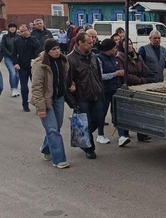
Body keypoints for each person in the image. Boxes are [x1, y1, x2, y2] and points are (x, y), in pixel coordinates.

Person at [30, 39, 72, 169]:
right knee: (53, 129)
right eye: (53, 49)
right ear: (47, 51)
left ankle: (46, 149)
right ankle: (59, 159)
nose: (57, 51)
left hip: (58, 98)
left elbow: (65, 78)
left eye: (58, 48)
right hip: (45, 100)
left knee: (56, 127)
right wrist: (41, 108)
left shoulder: (63, 60)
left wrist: (71, 85)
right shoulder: (40, 65)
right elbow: (36, 88)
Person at [66, 32, 104, 159]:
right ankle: (89, 148)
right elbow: (67, 82)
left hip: (96, 94)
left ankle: (81, 136)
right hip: (82, 97)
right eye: (88, 42)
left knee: (99, 120)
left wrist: (101, 90)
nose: (92, 43)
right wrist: (72, 102)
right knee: (85, 122)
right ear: (79, 43)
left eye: (92, 41)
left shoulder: (93, 56)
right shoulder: (70, 59)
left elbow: (98, 76)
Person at [117, 38, 152, 142]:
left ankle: (142, 134)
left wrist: (143, 79)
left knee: (141, 111)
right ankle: (125, 134)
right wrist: (138, 79)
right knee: (128, 112)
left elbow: (145, 70)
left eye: (130, 43)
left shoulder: (138, 56)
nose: (129, 46)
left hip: (140, 87)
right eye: (126, 44)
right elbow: (124, 74)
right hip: (128, 87)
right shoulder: (120, 57)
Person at [96, 39, 129, 147]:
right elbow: (100, 76)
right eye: (114, 48)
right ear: (108, 49)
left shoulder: (114, 58)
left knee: (117, 112)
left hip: (115, 89)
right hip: (104, 90)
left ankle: (122, 136)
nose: (115, 50)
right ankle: (100, 134)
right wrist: (115, 74)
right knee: (102, 113)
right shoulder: (99, 59)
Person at [13, 24, 40, 112]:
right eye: (21, 31)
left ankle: (38, 105)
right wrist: (16, 63)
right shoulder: (17, 41)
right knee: (24, 87)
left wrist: (28, 38)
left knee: (36, 87)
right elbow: (14, 54)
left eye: (24, 31)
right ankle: (25, 105)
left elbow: (37, 47)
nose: (23, 33)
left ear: (28, 30)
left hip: (33, 67)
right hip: (22, 67)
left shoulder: (34, 39)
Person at [1, 23, 20, 97]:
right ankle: (13, 88)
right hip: (8, 57)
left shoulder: (18, 37)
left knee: (17, 74)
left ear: (16, 28)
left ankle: (15, 88)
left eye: (14, 27)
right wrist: (9, 54)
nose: (12, 28)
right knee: (12, 72)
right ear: (8, 28)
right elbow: (3, 47)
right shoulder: (5, 37)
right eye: (11, 27)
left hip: (17, 58)